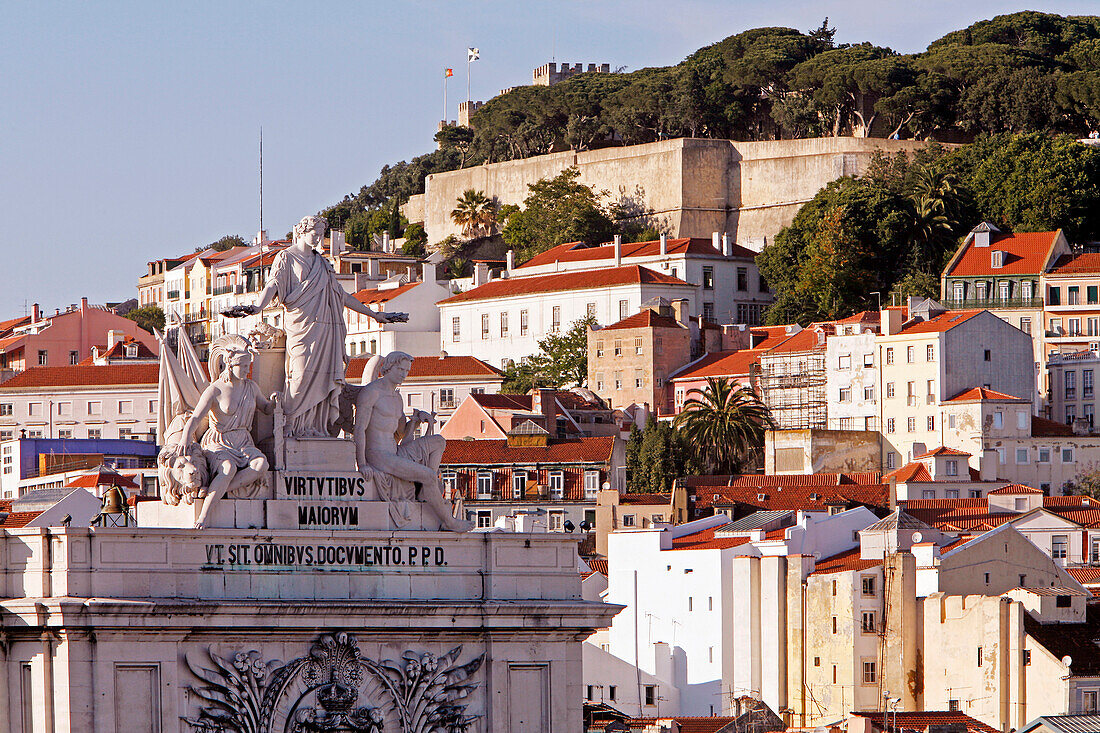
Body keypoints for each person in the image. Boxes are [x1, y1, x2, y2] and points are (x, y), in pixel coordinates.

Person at [227, 215, 408, 438]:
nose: (319, 239)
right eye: (315, 234)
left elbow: (341, 295)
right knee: (300, 376)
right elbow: (273, 285)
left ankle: (317, 428)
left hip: (326, 331)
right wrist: (257, 307)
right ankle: (289, 427)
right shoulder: (286, 257)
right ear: (302, 232)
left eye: (322, 235)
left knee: (324, 377)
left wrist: (374, 315)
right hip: (302, 328)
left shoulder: (323, 263)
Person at [354, 352, 471, 531]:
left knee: (438, 441)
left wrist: (416, 421)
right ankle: (449, 521)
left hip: (394, 451)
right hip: (377, 455)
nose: (403, 374)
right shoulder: (371, 393)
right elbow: (359, 429)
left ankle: (426, 487)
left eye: (406, 370)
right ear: (388, 368)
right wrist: (362, 464)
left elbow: (400, 434)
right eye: (400, 369)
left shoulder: (397, 398)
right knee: (430, 476)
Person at [175, 335, 276, 528]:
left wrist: (276, 401)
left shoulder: (251, 387)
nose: (247, 370)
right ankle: (204, 516)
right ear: (230, 365)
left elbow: (266, 408)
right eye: (244, 367)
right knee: (227, 468)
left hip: (244, 442)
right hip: (219, 441)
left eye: (248, 366)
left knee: (261, 464)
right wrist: (185, 440)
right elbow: (195, 418)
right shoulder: (215, 390)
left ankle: (218, 491)